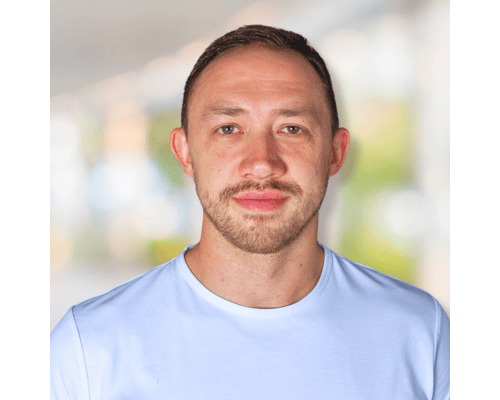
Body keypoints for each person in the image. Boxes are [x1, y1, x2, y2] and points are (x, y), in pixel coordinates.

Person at [51, 25, 450, 400]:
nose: (261, 163)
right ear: (185, 152)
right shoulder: (90, 347)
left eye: (291, 129)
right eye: (228, 129)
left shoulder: (419, 331)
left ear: (335, 152)